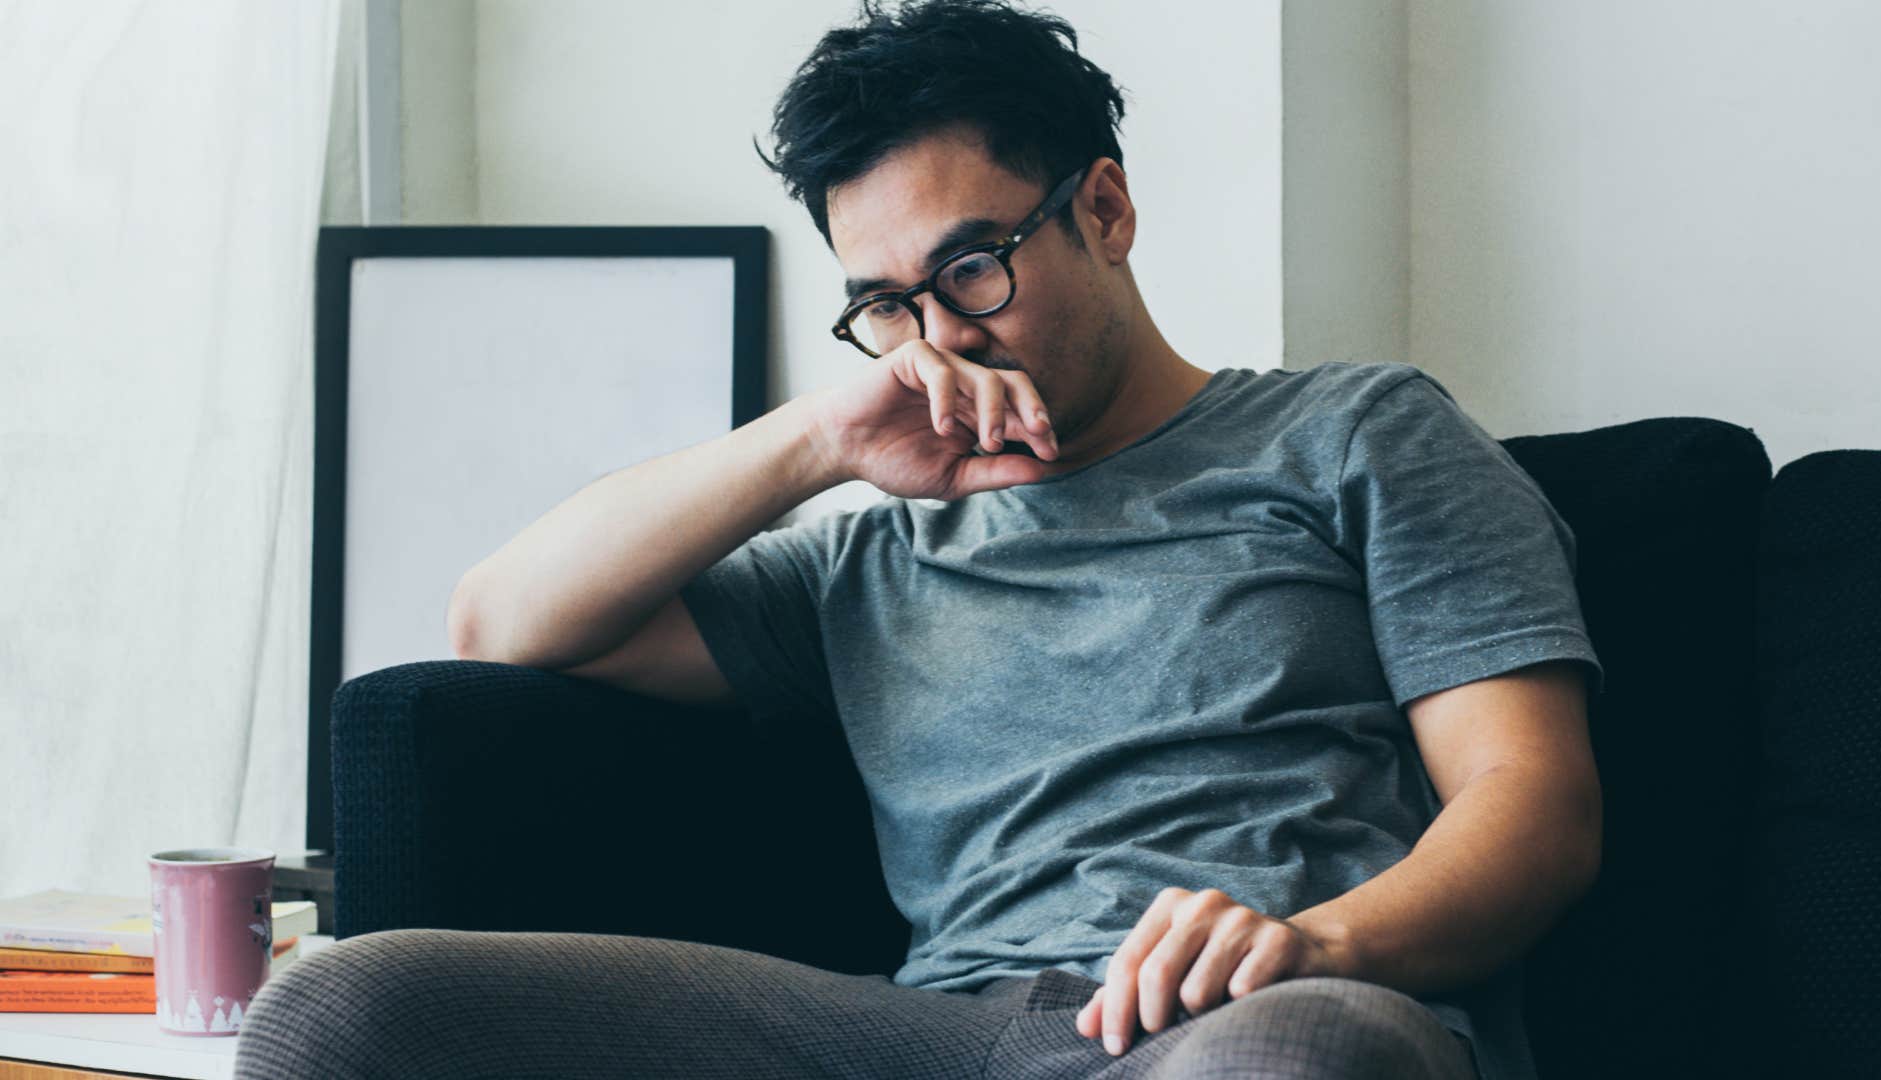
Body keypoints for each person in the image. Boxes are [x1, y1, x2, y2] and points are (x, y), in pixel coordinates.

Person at [235, 2, 1604, 1077]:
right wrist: (815, 443)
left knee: (1297, 1056)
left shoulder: (1357, 434)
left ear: (1107, 213)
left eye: (968, 268)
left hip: (1267, 1014)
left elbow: (1533, 809)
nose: (941, 338)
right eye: (886, 304)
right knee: (344, 1011)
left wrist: (1313, 944)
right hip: (940, 1036)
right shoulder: (871, 553)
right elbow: (498, 621)